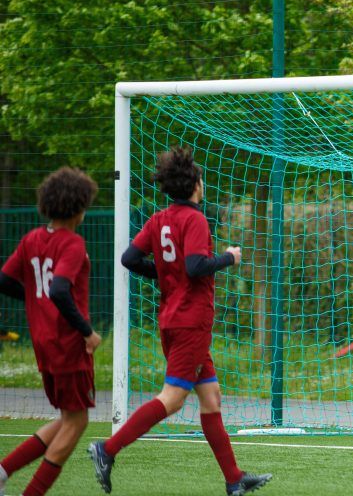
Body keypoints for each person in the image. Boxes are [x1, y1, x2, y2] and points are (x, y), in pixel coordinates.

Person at [87, 147, 271, 496]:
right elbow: (196, 267)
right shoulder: (195, 220)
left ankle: (234, 478)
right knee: (172, 399)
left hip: (172, 319)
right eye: (201, 179)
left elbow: (129, 258)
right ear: (194, 184)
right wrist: (228, 258)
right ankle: (106, 449)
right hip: (191, 322)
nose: (203, 184)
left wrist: (161, 273)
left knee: (211, 397)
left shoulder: (159, 220)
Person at [0, 167, 101, 496]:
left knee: (68, 418)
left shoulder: (31, 240)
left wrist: (33, 297)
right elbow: (59, 289)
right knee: (78, 422)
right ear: (79, 207)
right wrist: (87, 332)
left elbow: (4, 279)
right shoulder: (72, 243)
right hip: (68, 344)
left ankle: (3, 471)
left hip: (43, 343)